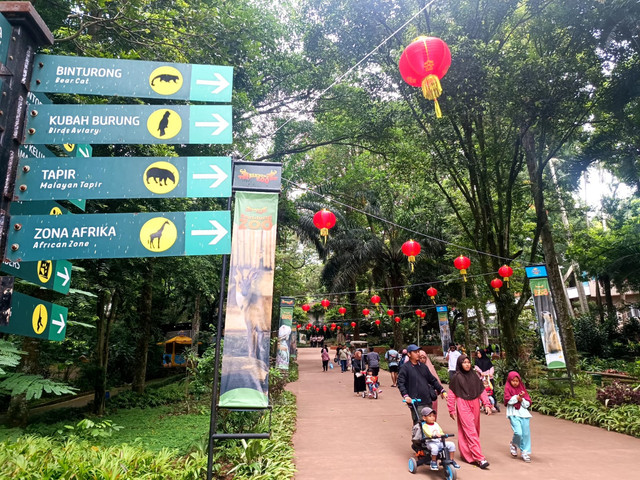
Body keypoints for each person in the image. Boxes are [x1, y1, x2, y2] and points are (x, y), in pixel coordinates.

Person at [447, 355, 492, 469]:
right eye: (464, 362)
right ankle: (480, 458)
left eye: (468, 362)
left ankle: (467, 454)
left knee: (474, 430)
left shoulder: (474, 376)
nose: (467, 364)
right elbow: (452, 395)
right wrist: (451, 409)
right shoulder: (456, 378)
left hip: (475, 404)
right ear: (460, 364)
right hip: (463, 404)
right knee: (470, 430)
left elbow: (481, 391)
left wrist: (487, 404)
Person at [398, 344, 447, 424]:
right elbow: (401, 383)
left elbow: (433, 380)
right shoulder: (405, 368)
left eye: (418, 352)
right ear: (409, 354)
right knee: (419, 425)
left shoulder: (423, 367)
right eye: (415, 352)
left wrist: (442, 390)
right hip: (416, 402)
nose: (418, 354)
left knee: (429, 425)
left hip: (427, 400)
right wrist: (406, 395)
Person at [420, 407, 460, 471]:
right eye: (430, 416)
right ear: (424, 418)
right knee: (435, 448)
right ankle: (433, 461)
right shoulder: (425, 426)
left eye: (433, 416)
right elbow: (427, 433)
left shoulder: (436, 424)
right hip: (431, 442)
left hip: (439, 442)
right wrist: (434, 435)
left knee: (451, 444)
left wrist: (442, 435)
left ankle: (451, 460)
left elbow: (440, 431)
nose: (432, 417)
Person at [504, 371, 532, 462]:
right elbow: (508, 400)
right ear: (509, 381)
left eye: (517, 381)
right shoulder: (507, 388)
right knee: (518, 432)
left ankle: (525, 451)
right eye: (513, 381)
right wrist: (517, 398)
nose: (515, 383)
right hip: (513, 413)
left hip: (524, 414)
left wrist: (522, 399)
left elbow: (527, 403)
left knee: (526, 433)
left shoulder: (522, 389)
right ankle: (514, 444)